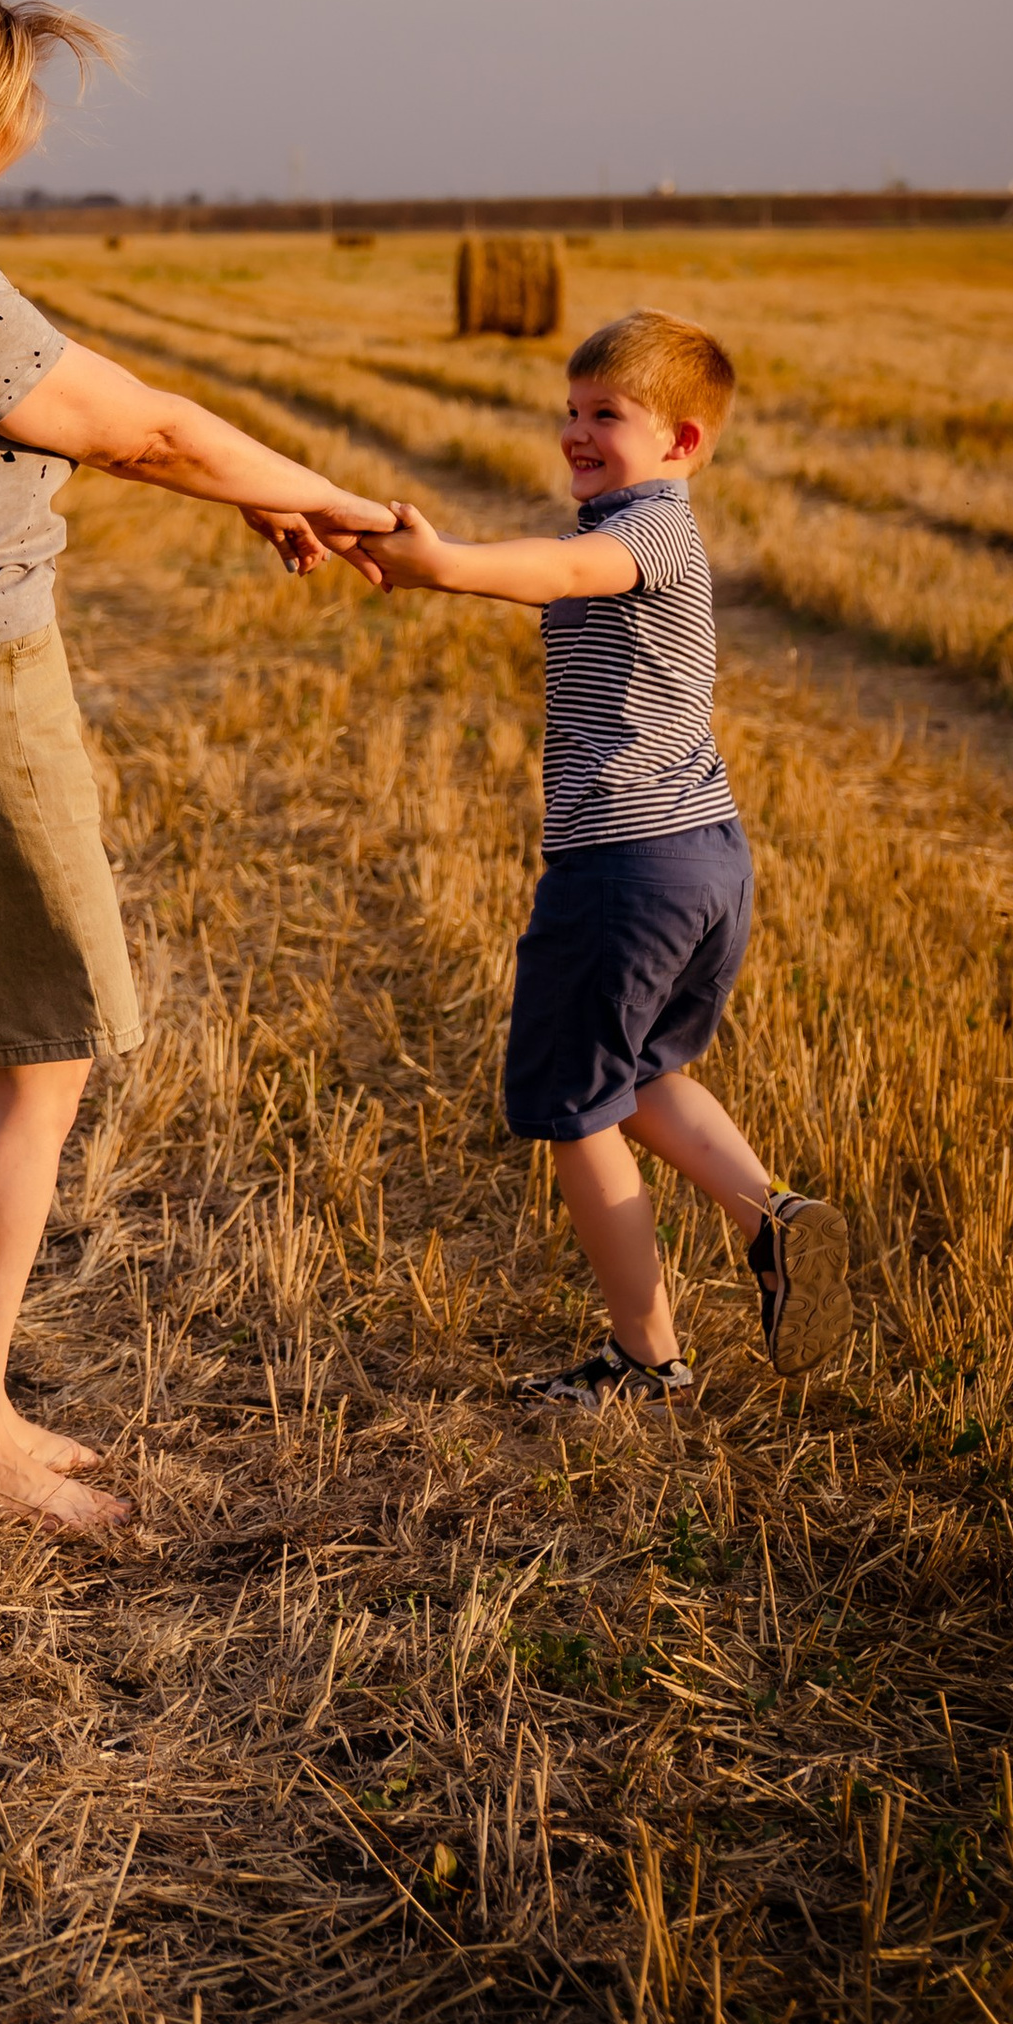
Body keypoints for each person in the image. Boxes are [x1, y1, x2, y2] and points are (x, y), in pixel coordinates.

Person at [0, 0, 398, 1530]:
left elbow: (108, 427)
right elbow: (149, 427)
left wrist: (253, 492)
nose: (27, 139)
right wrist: (321, 495)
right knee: (28, 1073)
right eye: (14, 112)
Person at [359, 308, 853, 1408]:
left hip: (626, 867)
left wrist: (443, 567)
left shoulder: (650, 531)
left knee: (575, 1110)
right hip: (701, 859)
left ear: (682, 441)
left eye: (606, 415)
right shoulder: (643, 525)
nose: (575, 432)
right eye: (571, 410)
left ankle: (645, 1357)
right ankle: (771, 1220)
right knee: (641, 1078)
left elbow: (561, 568)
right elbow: (557, 558)